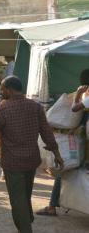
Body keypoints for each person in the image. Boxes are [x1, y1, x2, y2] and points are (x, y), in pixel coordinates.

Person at [0, 76, 63, 233]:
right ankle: (26, 221)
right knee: (25, 195)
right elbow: (47, 132)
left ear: (9, 89)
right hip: (31, 161)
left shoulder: (2, 108)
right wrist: (57, 154)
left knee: (17, 199)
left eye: (2, 88)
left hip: (12, 163)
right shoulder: (36, 107)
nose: (0, 91)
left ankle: (25, 228)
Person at [36, 68, 89, 217]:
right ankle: (53, 205)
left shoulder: (85, 96)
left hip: (84, 144)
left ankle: (53, 206)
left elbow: (74, 109)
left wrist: (78, 94)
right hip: (83, 141)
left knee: (64, 169)